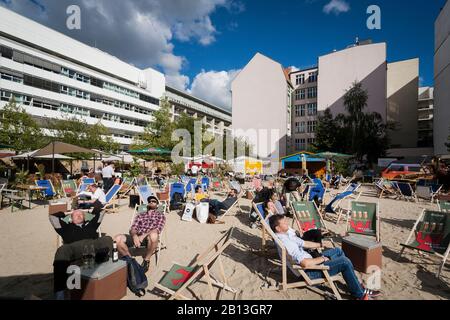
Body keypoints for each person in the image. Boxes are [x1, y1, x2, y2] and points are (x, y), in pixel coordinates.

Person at [269, 215, 381, 300]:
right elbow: (305, 264)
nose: (287, 223)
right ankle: (360, 294)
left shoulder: (286, 235)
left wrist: (320, 245)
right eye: (284, 222)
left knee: (337, 251)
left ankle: (355, 285)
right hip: (308, 273)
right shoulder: (286, 242)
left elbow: (304, 243)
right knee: (344, 262)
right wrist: (323, 259)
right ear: (278, 228)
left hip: (312, 264)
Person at [49, 203, 112, 299]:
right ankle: (60, 294)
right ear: (71, 218)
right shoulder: (65, 227)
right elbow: (52, 217)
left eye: (81, 214)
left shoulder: (91, 224)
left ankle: (111, 271)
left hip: (92, 248)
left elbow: (102, 212)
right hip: (74, 250)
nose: (79, 216)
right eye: (76, 215)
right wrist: (64, 214)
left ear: (85, 217)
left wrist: (91, 211)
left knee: (107, 239)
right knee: (62, 250)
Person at [114, 196, 166, 273]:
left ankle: (146, 260)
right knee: (117, 238)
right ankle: (131, 262)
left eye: (154, 201)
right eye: (150, 201)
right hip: (137, 237)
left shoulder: (160, 215)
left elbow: (157, 229)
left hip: (149, 238)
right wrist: (135, 236)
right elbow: (133, 228)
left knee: (154, 235)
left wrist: (143, 236)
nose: (151, 202)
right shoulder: (140, 215)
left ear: (157, 205)